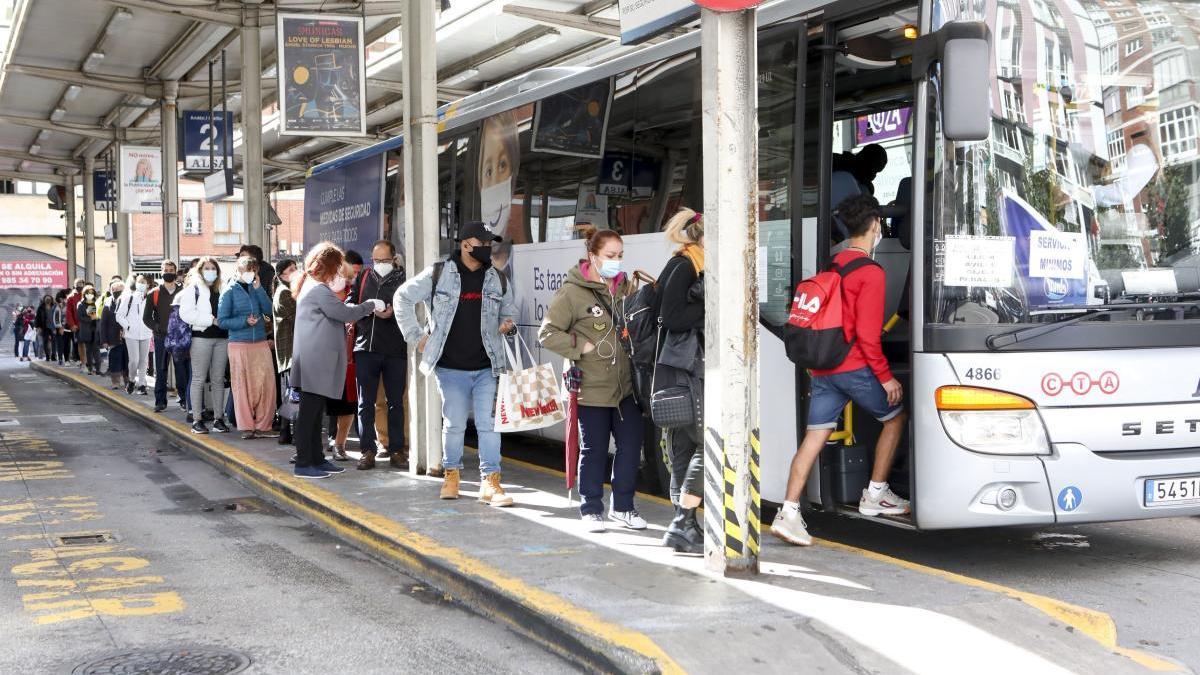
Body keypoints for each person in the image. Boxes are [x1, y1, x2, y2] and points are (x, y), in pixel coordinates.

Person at [771, 194, 910, 547]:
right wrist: (885, 378)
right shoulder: (870, 272)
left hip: (823, 369)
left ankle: (788, 512)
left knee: (813, 438)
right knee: (895, 419)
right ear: (876, 224)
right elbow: (866, 336)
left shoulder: (833, 265)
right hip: (854, 368)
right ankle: (875, 494)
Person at [395, 221, 517, 506]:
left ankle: (491, 482)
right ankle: (452, 475)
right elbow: (402, 298)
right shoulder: (439, 274)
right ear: (465, 245)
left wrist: (507, 325)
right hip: (449, 367)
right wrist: (416, 337)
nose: (488, 248)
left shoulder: (497, 278)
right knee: (454, 425)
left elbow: (509, 314)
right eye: (483, 243)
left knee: (489, 425)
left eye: (490, 244)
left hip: (488, 366)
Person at [539, 226, 645, 532]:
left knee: (630, 446)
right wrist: (579, 345)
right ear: (592, 256)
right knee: (594, 449)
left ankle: (623, 507)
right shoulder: (572, 292)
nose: (616, 261)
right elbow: (548, 333)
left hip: (626, 387)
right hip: (590, 387)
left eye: (620, 255)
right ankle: (591, 508)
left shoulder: (626, 288)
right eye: (610, 255)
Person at [291, 242, 385, 479]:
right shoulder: (319, 290)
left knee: (313, 415)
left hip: (313, 359)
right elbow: (344, 314)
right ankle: (304, 463)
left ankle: (317, 459)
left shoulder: (311, 286)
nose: (339, 275)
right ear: (328, 267)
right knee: (309, 415)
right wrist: (370, 305)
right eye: (336, 269)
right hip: (316, 361)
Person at [650, 209, 707, 552]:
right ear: (703, 236)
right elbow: (669, 315)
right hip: (686, 370)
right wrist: (714, 306)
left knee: (684, 446)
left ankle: (684, 528)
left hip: (680, 368)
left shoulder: (686, 262)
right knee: (709, 441)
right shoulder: (686, 265)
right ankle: (682, 522)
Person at [348, 240, 407, 470]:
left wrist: (392, 312)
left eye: (384, 260)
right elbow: (349, 304)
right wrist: (369, 309)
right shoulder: (363, 278)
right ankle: (367, 450)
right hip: (366, 348)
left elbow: (413, 307)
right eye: (376, 260)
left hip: (395, 350)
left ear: (394, 259)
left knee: (395, 404)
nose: (380, 264)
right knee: (365, 404)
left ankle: (397, 450)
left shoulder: (404, 280)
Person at [218, 256, 277, 440]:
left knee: (266, 385)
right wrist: (244, 321)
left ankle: (263, 426)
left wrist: (259, 290)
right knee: (242, 386)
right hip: (239, 344)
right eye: (246, 269)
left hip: (259, 342)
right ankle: (246, 427)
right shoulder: (228, 291)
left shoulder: (256, 288)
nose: (250, 273)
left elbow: (269, 309)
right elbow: (222, 321)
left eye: (253, 270)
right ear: (238, 270)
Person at [178, 256, 230, 435]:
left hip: (222, 338)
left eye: (213, 268)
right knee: (199, 379)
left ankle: (218, 419)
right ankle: (197, 420)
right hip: (201, 337)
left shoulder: (223, 288)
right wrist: (211, 320)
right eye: (207, 268)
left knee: (218, 379)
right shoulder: (193, 289)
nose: (210, 271)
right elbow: (186, 314)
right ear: (200, 270)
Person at [143, 260, 189, 413]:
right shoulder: (153, 294)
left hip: (180, 338)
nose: (168, 272)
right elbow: (146, 318)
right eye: (166, 270)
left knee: (181, 370)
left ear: (175, 272)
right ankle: (160, 401)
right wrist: (158, 328)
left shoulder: (184, 292)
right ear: (161, 272)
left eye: (171, 270)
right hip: (161, 337)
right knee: (161, 370)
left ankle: (183, 399)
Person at [273, 259, 298, 446]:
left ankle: (285, 431)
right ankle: (291, 432)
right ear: (282, 275)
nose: (296, 272)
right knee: (293, 393)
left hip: (289, 351)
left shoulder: (286, 291)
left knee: (290, 393)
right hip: (290, 351)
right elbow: (299, 316)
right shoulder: (285, 293)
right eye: (291, 270)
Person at [118, 274, 153, 395]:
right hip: (131, 334)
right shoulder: (129, 298)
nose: (142, 284)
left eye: (144, 282)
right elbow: (119, 316)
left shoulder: (150, 298)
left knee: (144, 360)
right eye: (139, 282)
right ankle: (132, 380)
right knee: (134, 360)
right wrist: (128, 326)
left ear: (148, 284)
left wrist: (151, 327)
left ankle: (142, 384)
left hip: (146, 333)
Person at [98, 278, 129, 390]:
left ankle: (128, 381)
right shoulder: (107, 305)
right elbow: (103, 324)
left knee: (127, 360)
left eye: (120, 290)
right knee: (114, 360)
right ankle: (115, 382)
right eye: (115, 290)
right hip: (113, 339)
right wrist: (104, 341)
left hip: (127, 338)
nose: (117, 292)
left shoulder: (129, 302)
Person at [75, 285, 101, 374]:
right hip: (86, 331)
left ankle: (98, 368)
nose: (90, 295)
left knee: (96, 350)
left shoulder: (92, 303)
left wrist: (94, 318)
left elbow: (94, 316)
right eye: (88, 293)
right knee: (89, 350)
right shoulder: (81, 304)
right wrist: (91, 319)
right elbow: (80, 317)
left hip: (94, 330)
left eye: (92, 293)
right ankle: (90, 368)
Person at [66, 279, 85, 366]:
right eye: (77, 284)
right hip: (77, 325)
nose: (79, 286)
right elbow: (68, 312)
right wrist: (72, 324)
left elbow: (92, 310)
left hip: (88, 324)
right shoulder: (70, 298)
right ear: (74, 286)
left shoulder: (87, 295)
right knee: (80, 343)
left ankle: (88, 361)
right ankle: (83, 361)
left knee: (89, 344)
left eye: (81, 284)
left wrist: (93, 321)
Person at [35, 295, 54, 362]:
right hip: (44, 327)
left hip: (53, 327)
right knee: (45, 342)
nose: (48, 300)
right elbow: (37, 318)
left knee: (54, 342)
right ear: (44, 300)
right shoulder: (41, 308)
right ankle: (47, 356)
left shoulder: (54, 306)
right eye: (46, 299)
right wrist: (38, 327)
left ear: (51, 299)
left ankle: (53, 356)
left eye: (49, 299)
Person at [51, 291, 68, 365]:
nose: (64, 300)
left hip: (65, 327)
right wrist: (60, 327)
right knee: (60, 343)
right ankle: (60, 358)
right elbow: (56, 318)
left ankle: (65, 358)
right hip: (60, 328)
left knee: (65, 344)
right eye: (64, 298)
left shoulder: (64, 305)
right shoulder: (57, 307)